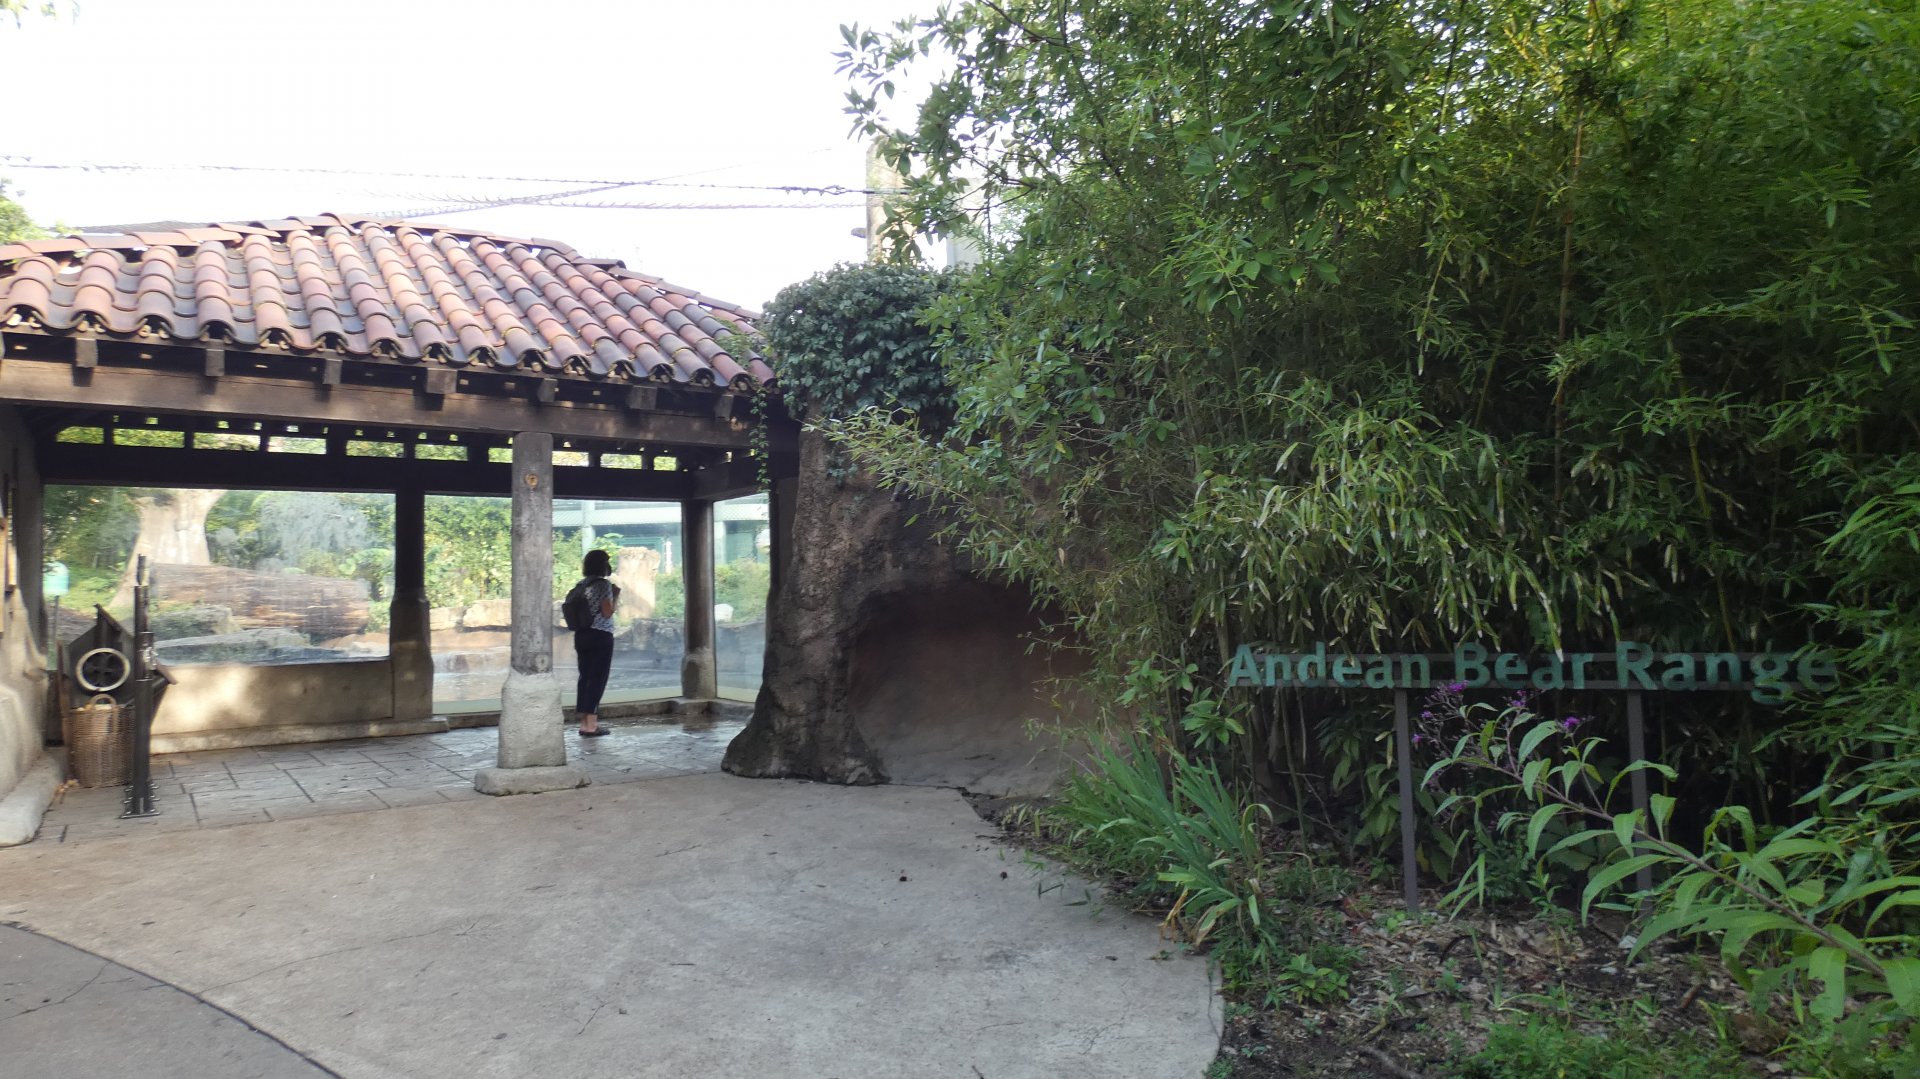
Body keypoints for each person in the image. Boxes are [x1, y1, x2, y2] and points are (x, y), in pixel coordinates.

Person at [572, 549, 619, 737]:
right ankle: (591, 725)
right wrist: (615, 595)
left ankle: (584, 723)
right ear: (602, 565)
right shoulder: (603, 585)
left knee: (585, 677)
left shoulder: (581, 584)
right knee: (597, 679)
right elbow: (607, 613)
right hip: (600, 635)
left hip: (581, 635)